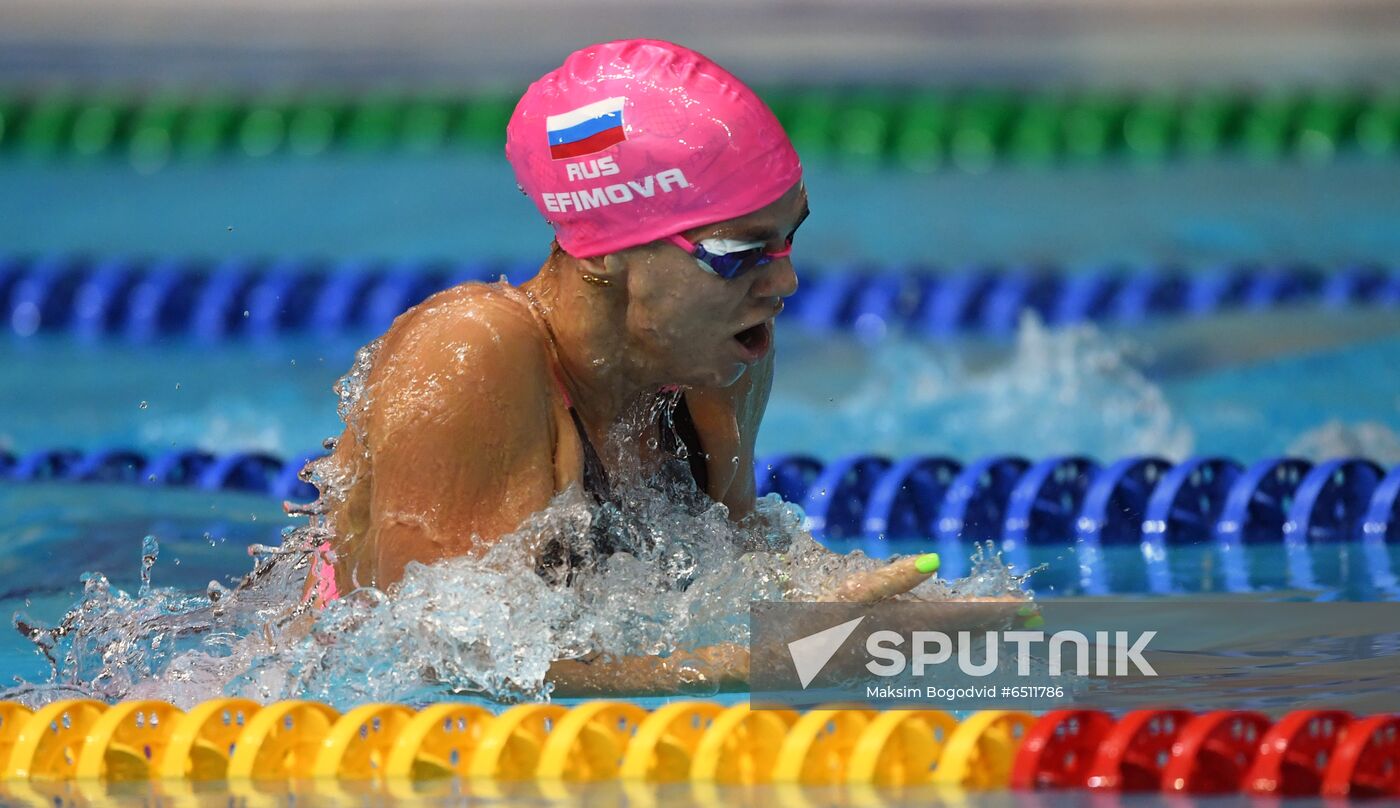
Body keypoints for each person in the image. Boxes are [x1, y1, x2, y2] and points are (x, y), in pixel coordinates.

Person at [295, 39, 954, 693]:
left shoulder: (719, 360)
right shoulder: (474, 350)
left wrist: (866, 605)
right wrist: (759, 663)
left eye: (788, 238)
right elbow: (445, 661)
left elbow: (736, 567)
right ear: (605, 254)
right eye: (738, 251)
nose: (783, 281)